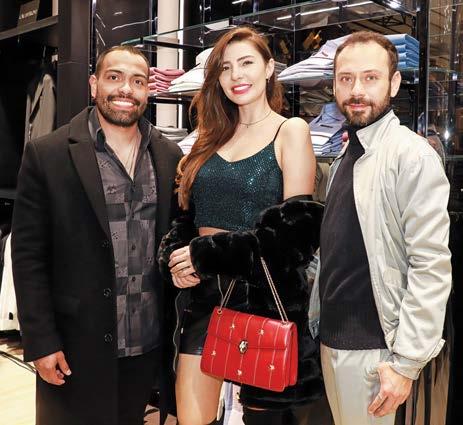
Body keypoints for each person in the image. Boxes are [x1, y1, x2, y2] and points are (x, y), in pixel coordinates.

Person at [158, 26, 330, 425]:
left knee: (263, 419)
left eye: (247, 63)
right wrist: (174, 259)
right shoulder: (209, 137)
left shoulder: (291, 130)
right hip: (203, 295)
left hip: (262, 296)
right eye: (226, 67)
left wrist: (204, 255)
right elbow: (187, 217)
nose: (237, 75)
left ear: (269, 69)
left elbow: (293, 236)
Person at [12, 45, 182, 425]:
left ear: (148, 91)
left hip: (145, 343)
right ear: (94, 84)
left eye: (137, 81)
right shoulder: (48, 154)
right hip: (75, 345)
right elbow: (27, 256)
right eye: (114, 77)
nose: (126, 89)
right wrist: (40, 340)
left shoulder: (170, 156)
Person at [307, 31, 452, 425]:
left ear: (394, 82)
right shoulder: (346, 154)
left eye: (370, 77)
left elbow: (431, 265)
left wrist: (406, 362)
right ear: (334, 85)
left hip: (375, 351)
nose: (357, 90)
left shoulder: (412, 155)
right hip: (334, 341)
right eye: (346, 78)